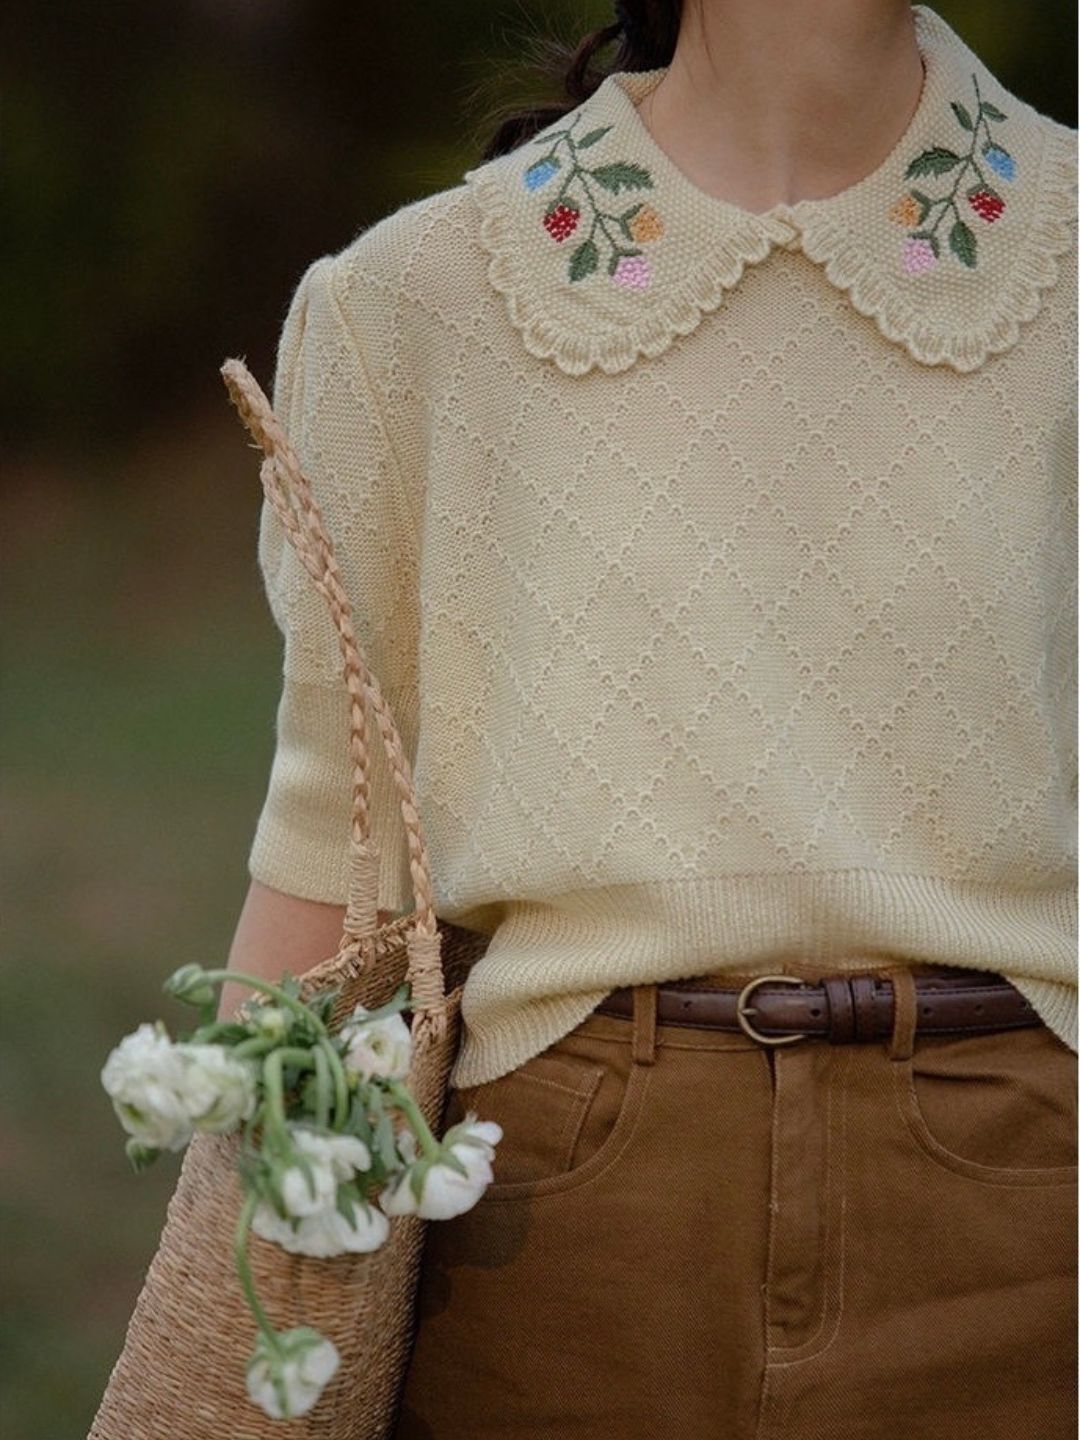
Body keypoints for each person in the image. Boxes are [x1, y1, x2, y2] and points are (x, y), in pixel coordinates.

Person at [221, 2, 1078, 1434]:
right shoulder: (411, 308)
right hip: (548, 1238)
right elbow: (336, 846)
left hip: (1029, 1222)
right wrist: (249, 1299)